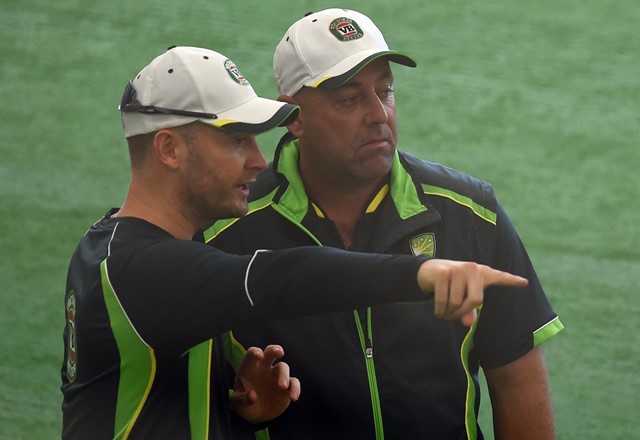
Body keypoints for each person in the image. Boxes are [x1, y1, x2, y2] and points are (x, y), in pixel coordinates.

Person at [60, 45, 528, 439]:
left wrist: (241, 409)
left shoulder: (112, 249)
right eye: (237, 140)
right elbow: (284, 277)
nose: (260, 161)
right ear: (169, 149)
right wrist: (421, 271)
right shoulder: (147, 270)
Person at [206, 9, 564, 440]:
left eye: (385, 91)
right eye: (349, 99)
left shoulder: (470, 213)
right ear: (294, 117)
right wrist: (244, 415)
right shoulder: (224, 234)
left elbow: (518, 378)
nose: (379, 114)